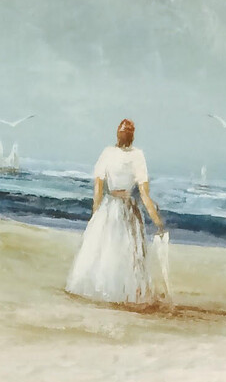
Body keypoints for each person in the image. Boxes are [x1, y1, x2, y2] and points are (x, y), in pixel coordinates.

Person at [66, 118, 168, 307]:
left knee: (114, 252)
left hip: (115, 207)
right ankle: (120, 295)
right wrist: (157, 221)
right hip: (121, 208)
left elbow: (100, 189)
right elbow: (142, 194)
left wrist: (95, 214)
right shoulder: (129, 155)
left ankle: (114, 293)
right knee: (121, 252)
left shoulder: (116, 154)